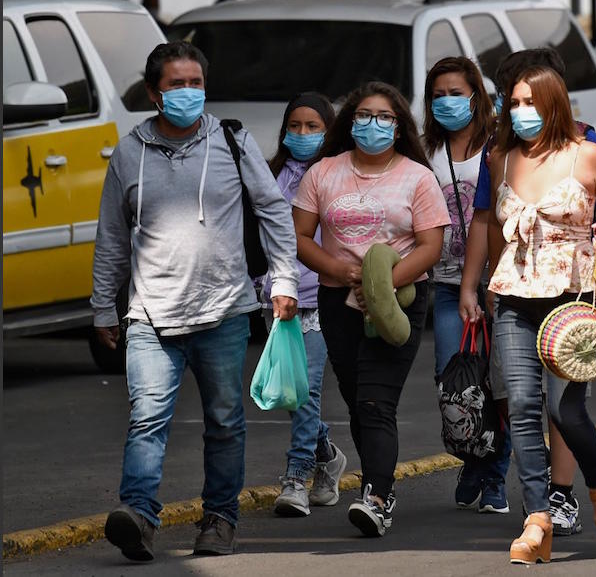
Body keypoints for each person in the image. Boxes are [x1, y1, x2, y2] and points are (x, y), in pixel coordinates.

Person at [92, 41, 299, 560]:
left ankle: (219, 519)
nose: (188, 93)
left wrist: (284, 280)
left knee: (225, 422)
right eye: (176, 84)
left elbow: (272, 210)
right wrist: (101, 306)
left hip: (223, 310)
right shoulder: (128, 152)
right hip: (150, 315)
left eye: (196, 84)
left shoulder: (232, 141)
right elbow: (112, 238)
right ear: (153, 92)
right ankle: (138, 515)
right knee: (146, 419)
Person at [459, 47, 596, 537]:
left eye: (530, 102)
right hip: (514, 298)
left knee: (564, 409)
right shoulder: (502, 158)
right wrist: (481, 284)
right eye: (513, 103)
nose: (519, 112)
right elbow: (490, 223)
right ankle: (537, 518)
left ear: (554, 103)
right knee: (520, 405)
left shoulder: (587, 153)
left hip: (573, 301)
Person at [291, 81, 450, 537]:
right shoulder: (323, 173)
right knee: (357, 400)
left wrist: (379, 284)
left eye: (384, 117)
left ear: (399, 127)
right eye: (364, 115)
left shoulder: (418, 178)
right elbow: (301, 237)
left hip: (399, 302)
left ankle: (377, 497)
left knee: (376, 400)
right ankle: (376, 485)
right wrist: (344, 275)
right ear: (350, 121)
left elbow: (430, 245)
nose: (373, 125)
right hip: (337, 300)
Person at [421, 56, 513, 513]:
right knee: (452, 383)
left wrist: (489, 284)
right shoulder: (424, 150)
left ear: (476, 95)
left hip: (501, 284)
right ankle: (473, 457)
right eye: (438, 95)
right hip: (445, 283)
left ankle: (492, 475)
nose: (447, 102)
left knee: (498, 385)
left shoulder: (499, 147)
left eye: (456, 93)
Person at [264, 92, 348, 516]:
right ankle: (327, 454)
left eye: (312, 127)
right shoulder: (270, 174)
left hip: (321, 297)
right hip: (279, 298)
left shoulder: (339, 174)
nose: (302, 134)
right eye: (294, 126)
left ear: (330, 131)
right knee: (290, 392)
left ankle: (296, 477)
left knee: (304, 389)